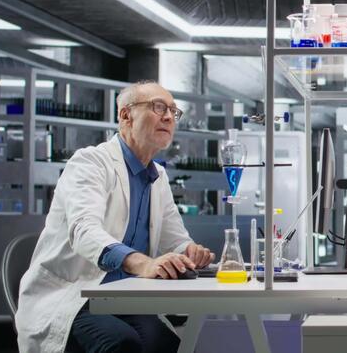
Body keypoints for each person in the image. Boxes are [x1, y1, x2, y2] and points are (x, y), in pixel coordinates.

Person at [15, 81, 216, 353]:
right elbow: (84, 231)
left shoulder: (158, 176)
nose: (169, 117)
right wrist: (142, 263)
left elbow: (175, 239)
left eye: (173, 111)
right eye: (158, 107)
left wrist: (189, 252)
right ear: (125, 115)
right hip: (75, 296)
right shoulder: (89, 163)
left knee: (168, 345)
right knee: (122, 343)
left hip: (125, 298)